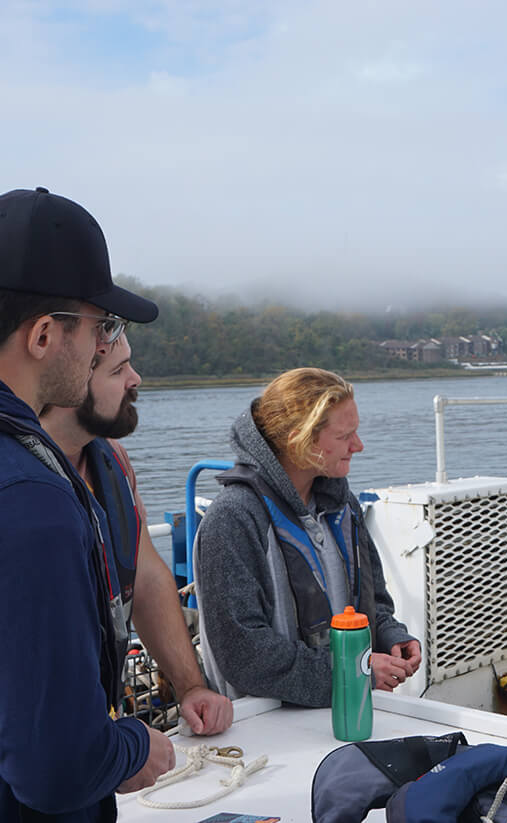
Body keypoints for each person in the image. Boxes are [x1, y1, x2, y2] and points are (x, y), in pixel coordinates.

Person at [0, 187, 175, 820]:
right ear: (45, 334)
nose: (105, 345)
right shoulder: (31, 499)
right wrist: (131, 747)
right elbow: (57, 767)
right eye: (100, 327)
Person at [41, 334, 234, 736]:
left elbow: (145, 578)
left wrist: (191, 686)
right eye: (118, 370)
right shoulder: (21, 481)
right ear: (68, 381)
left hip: (92, 731)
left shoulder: (112, 461)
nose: (136, 378)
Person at [194, 367, 421, 705]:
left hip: (342, 712)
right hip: (262, 726)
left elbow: (375, 602)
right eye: (345, 436)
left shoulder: (346, 507)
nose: (358, 446)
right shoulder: (232, 520)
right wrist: (354, 672)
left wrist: (390, 634)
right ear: (299, 439)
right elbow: (245, 656)